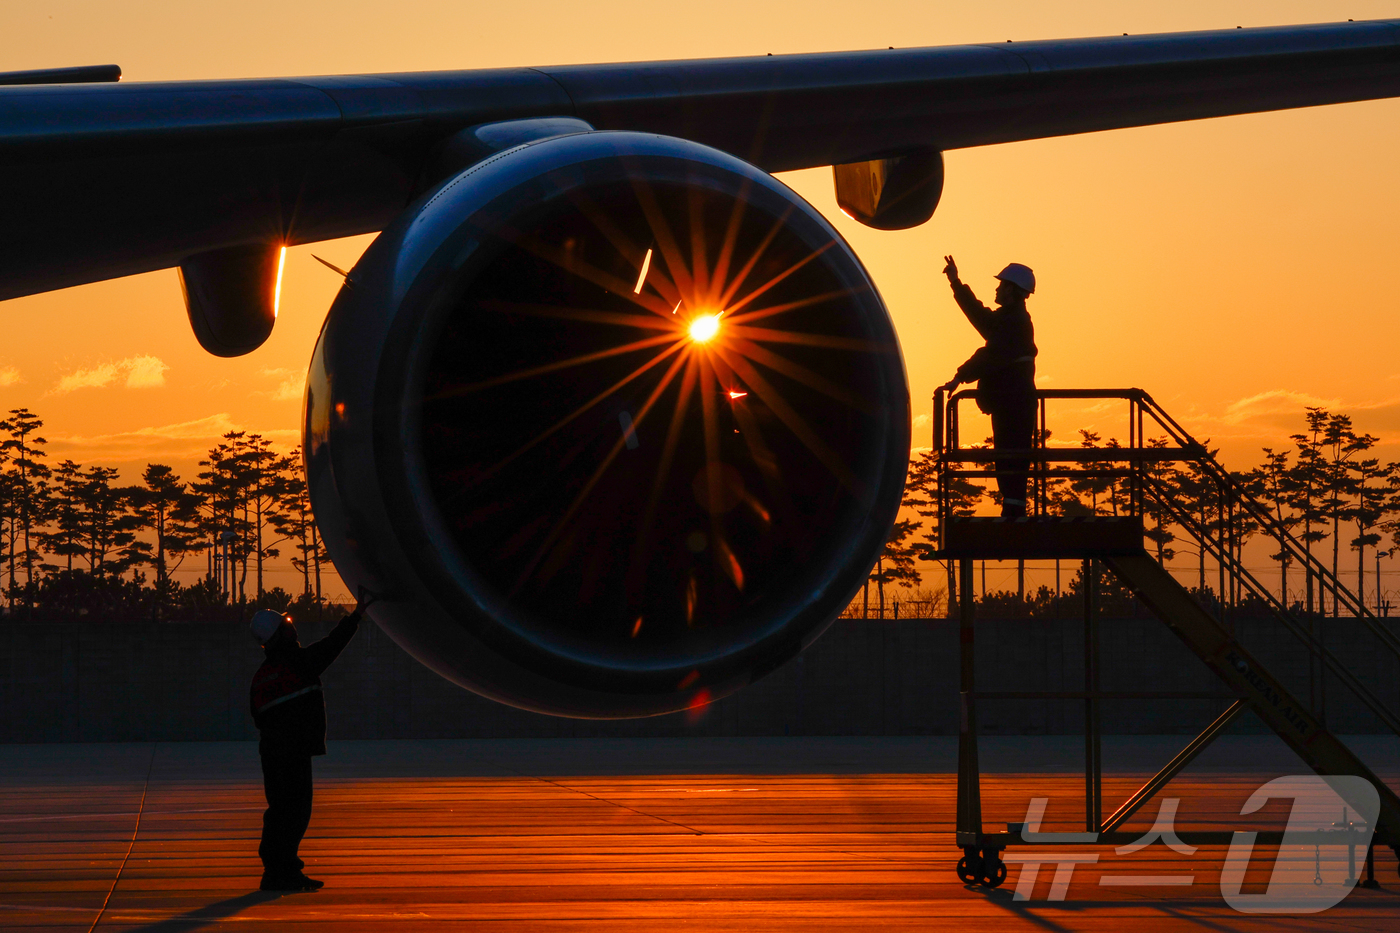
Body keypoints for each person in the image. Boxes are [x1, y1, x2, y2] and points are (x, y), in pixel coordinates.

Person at [248, 591, 376, 892]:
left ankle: (278, 870)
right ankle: (283, 872)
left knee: (280, 810)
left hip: (273, 753)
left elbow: (257, 716)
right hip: (292, 753)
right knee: (294, 812)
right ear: (280, 635)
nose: (293, 628)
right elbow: (331, 646)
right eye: (287, 625)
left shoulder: (262, 675)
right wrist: (356, 615)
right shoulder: (297, 663)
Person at [939, 256, 1038, 518]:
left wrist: (961, 375)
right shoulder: (1009, 320)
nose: (996, 289)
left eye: (1001, 285)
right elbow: (982, 319)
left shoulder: (1013, 324)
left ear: (1012, 291)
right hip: (1012, 401)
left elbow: (991, 354)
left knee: (1011, 457)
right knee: (1008, 457)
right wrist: (956, 284)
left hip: (1014, 402)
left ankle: (1014, 511)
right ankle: (1013, 508)